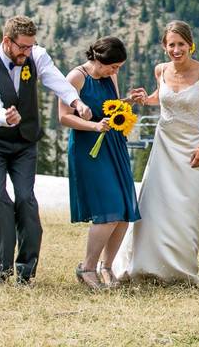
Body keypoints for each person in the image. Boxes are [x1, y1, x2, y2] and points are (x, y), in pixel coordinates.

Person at [0, 16, 92, 285]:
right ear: (7, 41)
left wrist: (77, 102)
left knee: (26, 199)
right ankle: (2, 272)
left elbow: (56, 80)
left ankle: (26, 272)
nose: (27, 53)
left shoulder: (36, 56)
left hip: (24, 143)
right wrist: (6, 117)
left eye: (31, 47)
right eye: (22, 48)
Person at [113, 20, 199, 284]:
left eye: (181, 44)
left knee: (185, 208)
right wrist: (145, 99)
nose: (176, 49)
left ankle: (180, 269)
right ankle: (147, 264)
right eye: (171, 45)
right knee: (153, 205)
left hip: (192, 147)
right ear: (164, 46)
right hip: (164, 145)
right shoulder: (160, 70)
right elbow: (162, 97)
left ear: (190, 44)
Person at [60, 36, 141, 290]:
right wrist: (94, 126)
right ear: (98, 59)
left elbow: (113, 109)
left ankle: (107, 267)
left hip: (113, 143)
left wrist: (129, 102)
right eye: (113, 67)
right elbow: (64, 117)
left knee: (124, 212)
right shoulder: (76, 78)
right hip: (89, 148)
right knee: (108, 210)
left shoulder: (111, 76)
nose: (115, 71)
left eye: (118, 68)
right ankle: (87, 267)